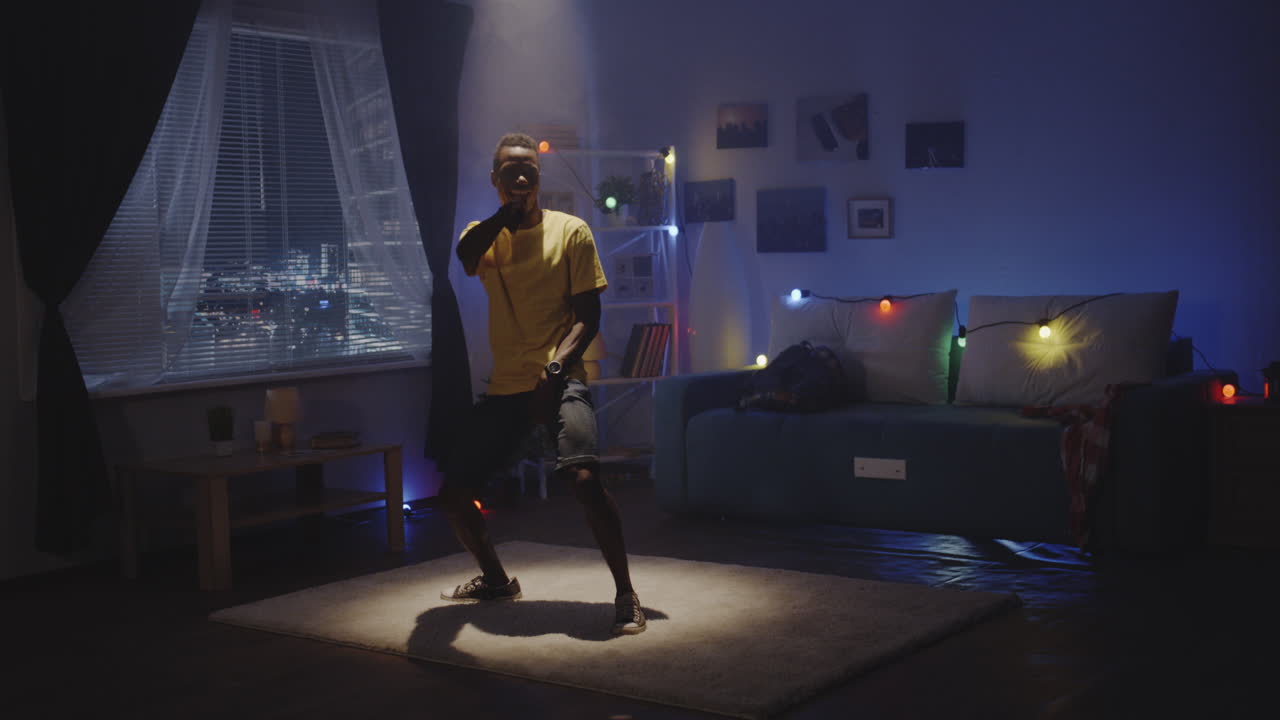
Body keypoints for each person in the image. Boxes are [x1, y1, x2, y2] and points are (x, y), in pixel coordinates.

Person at [437, 132, 645, 635]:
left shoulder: (571, 232)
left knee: (585, 480)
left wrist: (555, 370)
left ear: (539, 174)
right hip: (506, 386)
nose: (521, 176)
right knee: (454, 495)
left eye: (528, 168)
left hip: (559, 377)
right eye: (509, 170)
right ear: (496, 179)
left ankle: (626, 591)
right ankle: (495, 579)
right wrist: (503, 217)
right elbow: (464, 255)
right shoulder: (484, 236)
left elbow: (587, 318)